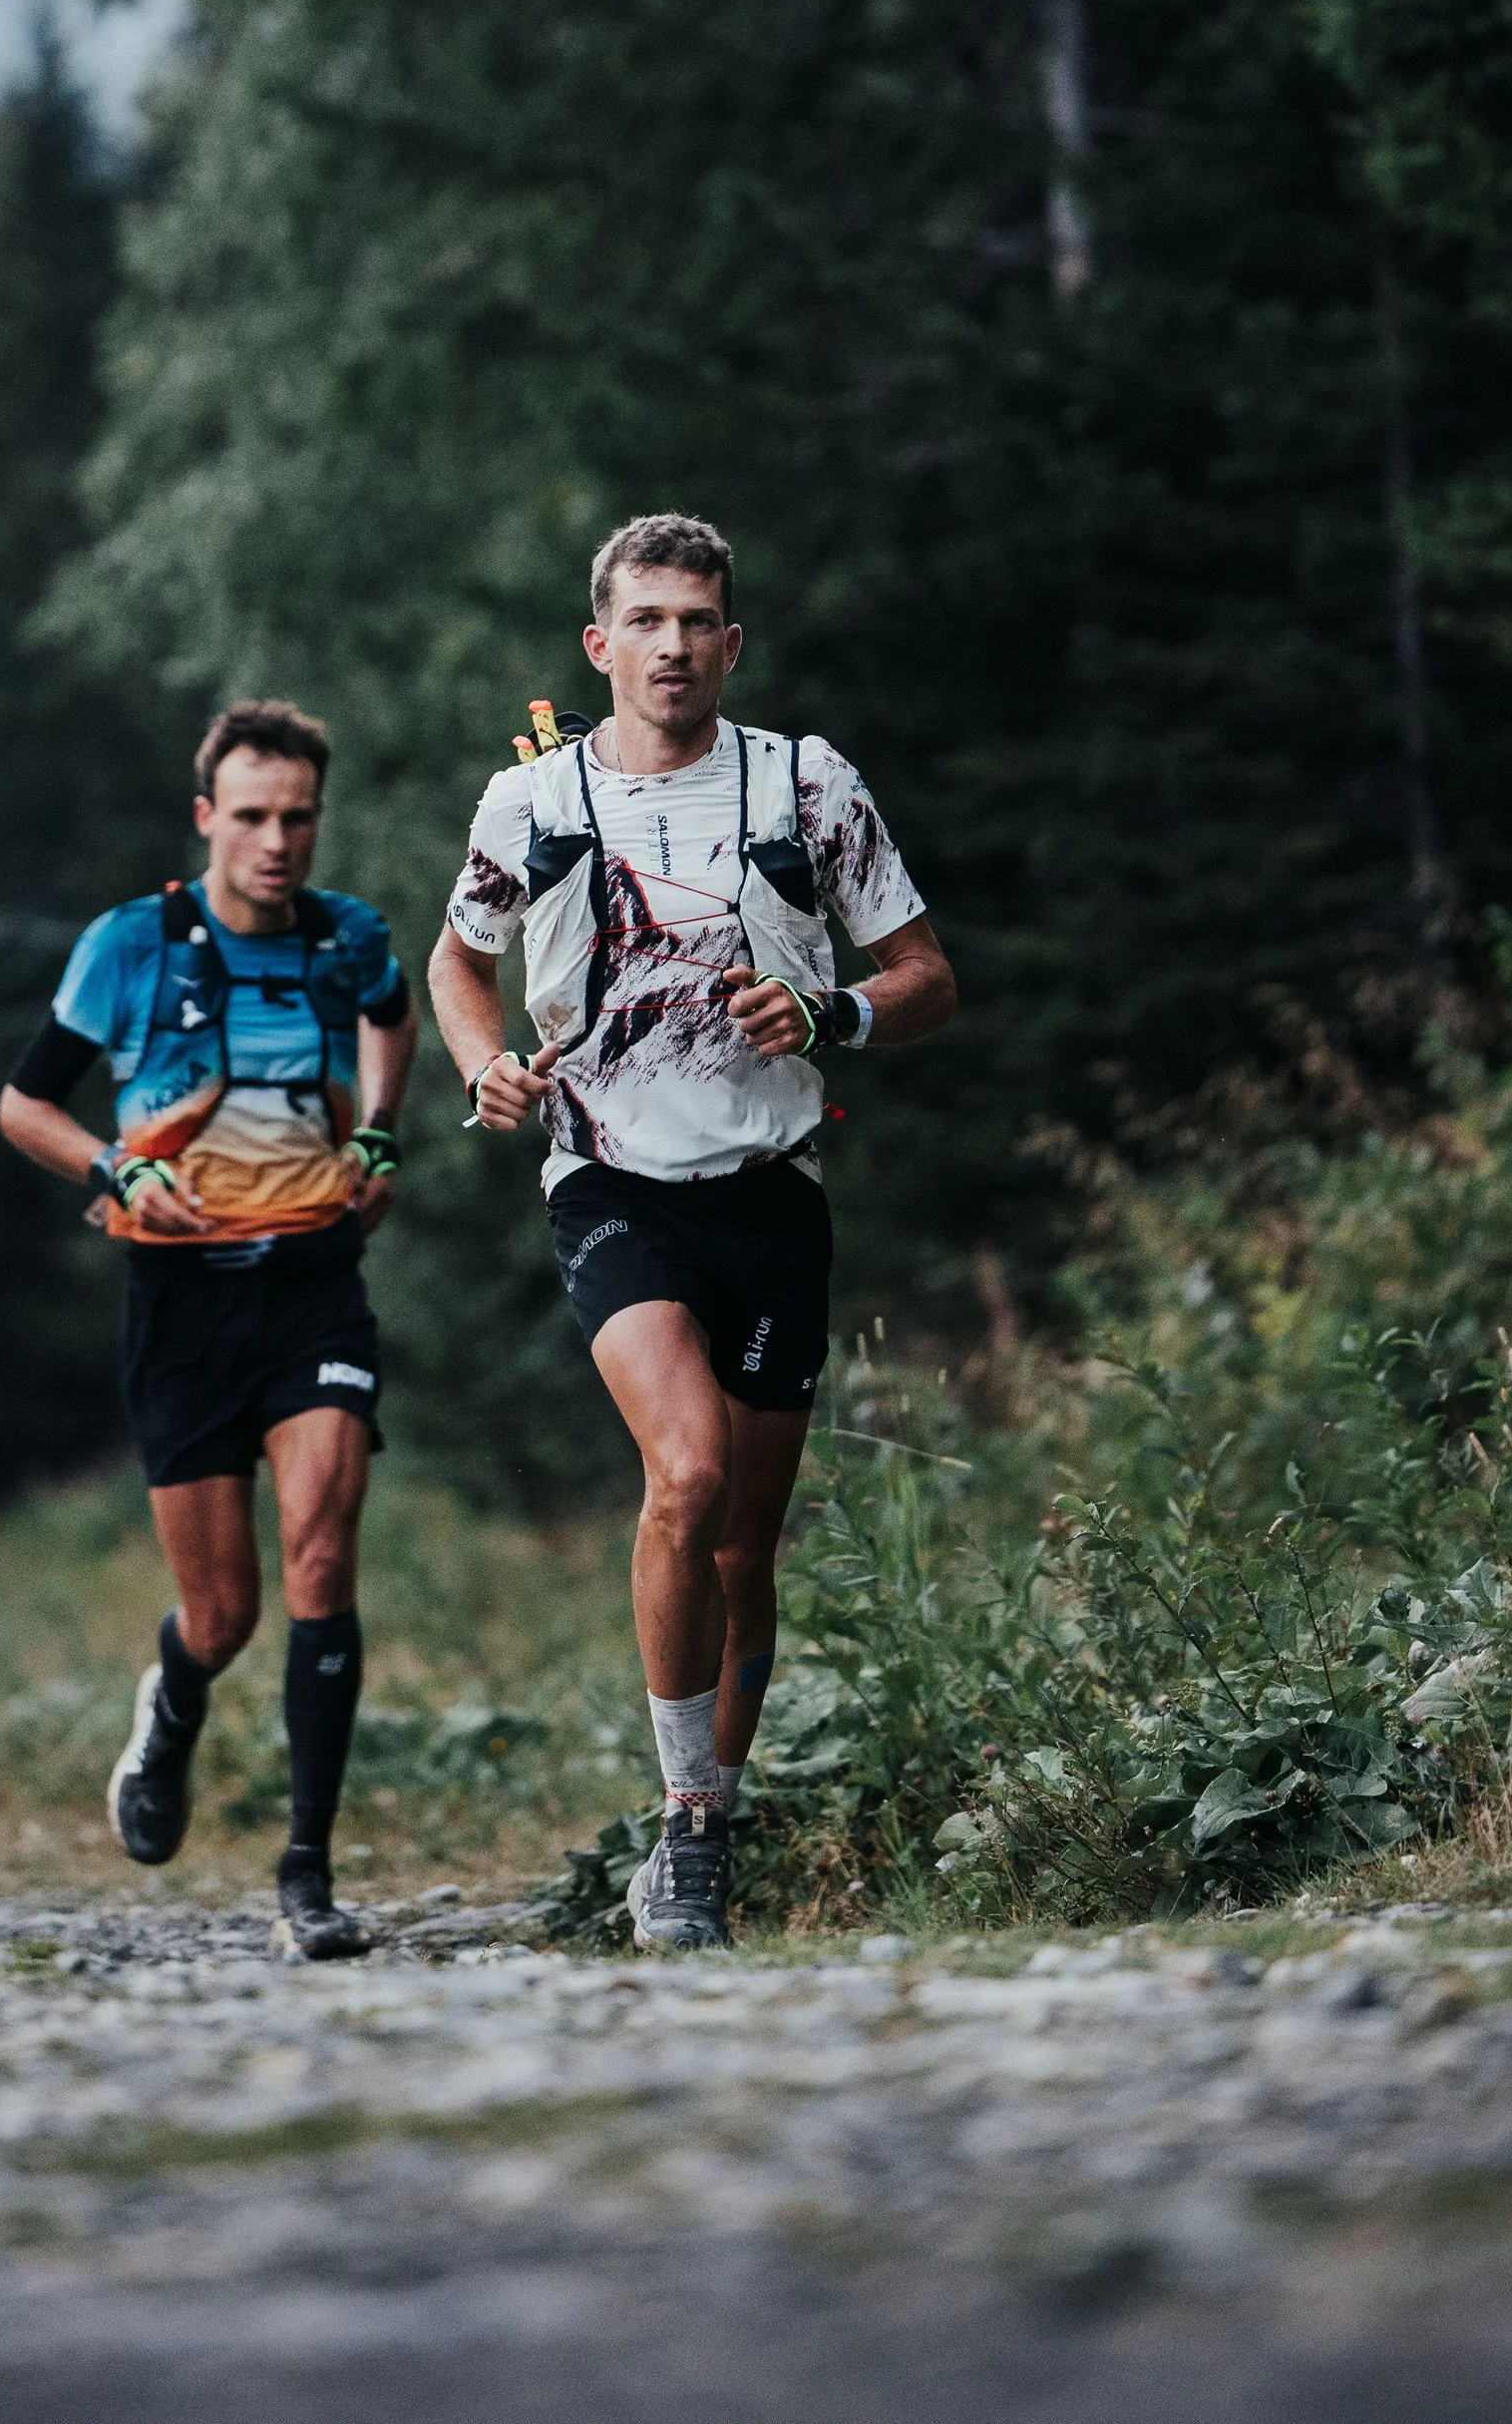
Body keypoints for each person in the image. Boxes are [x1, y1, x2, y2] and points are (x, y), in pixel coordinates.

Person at [427, 515, 955, 1954]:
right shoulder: (530, 798)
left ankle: (715, 1802)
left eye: (697, 618)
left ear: (733, 642)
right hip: (610, 1185)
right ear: (600, 645)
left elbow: (926, 975)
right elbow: (457, 959)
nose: (672, 643)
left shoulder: (804, 780)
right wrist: (483, 1060)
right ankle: (691, 1828)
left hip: (773, 1189)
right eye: (644, 619)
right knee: (688, 1474)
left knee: (743, 1553)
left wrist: (833, 1009)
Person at [0, 698, 417, 1960]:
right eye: (251, 818)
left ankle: (309, 1877)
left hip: (311, 1290)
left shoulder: (347, 939)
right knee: (225, 1615)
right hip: (179, 1308)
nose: (276, 841)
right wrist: (115, 1174)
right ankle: (173, 1705)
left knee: (323, 1559)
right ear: (206, 821)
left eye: (297, 818)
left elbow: (392, 1016)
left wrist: (380, 1134)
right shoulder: (130, 946)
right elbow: (24, 1104)